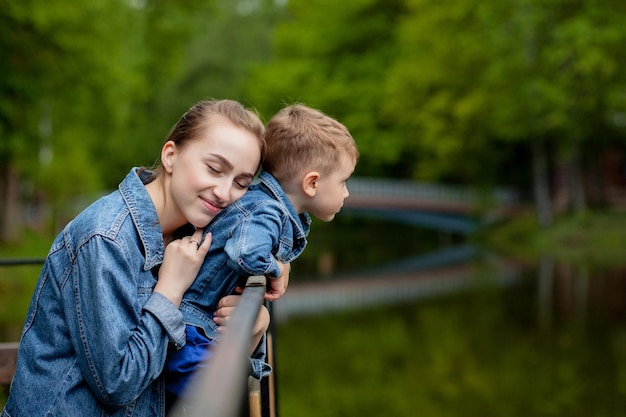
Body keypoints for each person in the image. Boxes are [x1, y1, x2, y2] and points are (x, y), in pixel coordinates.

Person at [1, 99, 290, 417]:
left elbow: (193, 376)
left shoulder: (193, 238)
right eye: (214, 168)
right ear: (171, 156)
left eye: (241, 183)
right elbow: (117, 386)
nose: (224, 193)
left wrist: (251, 326)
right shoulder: (106, 238)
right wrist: (170, 290)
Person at [163, 103, 359, 401]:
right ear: (312, 183)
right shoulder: (267, 211)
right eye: (343, 182)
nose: (346, 193)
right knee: (217, 398)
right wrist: (277, 270)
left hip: (196, 326)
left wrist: (279, 264)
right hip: (192, 330)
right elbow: (244, 252)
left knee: (226, 388)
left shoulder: (262, 203)